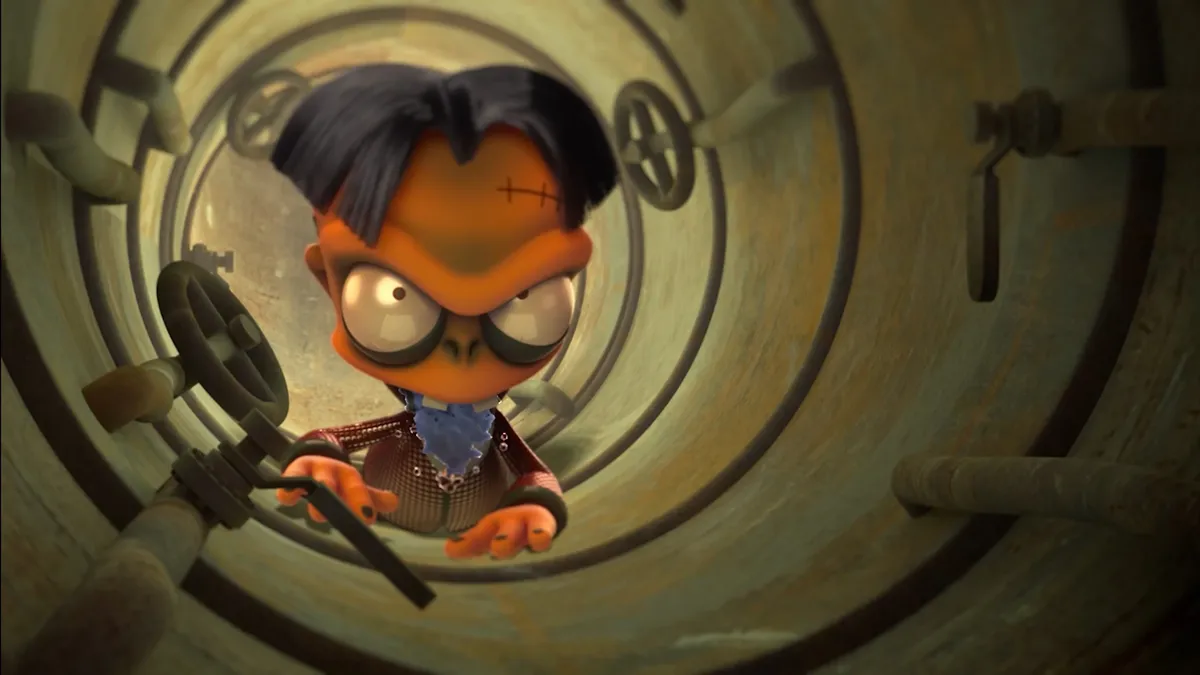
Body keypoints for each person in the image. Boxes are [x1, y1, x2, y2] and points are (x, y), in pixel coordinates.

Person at [268, 64, 618, 560]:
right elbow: (338, 437)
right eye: (397, 298)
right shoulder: (410, 425)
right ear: (330, 282)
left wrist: (534, 505)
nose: (463, 341)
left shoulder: (491, 431)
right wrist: (322, 458)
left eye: (523, 300)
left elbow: (534, 471)